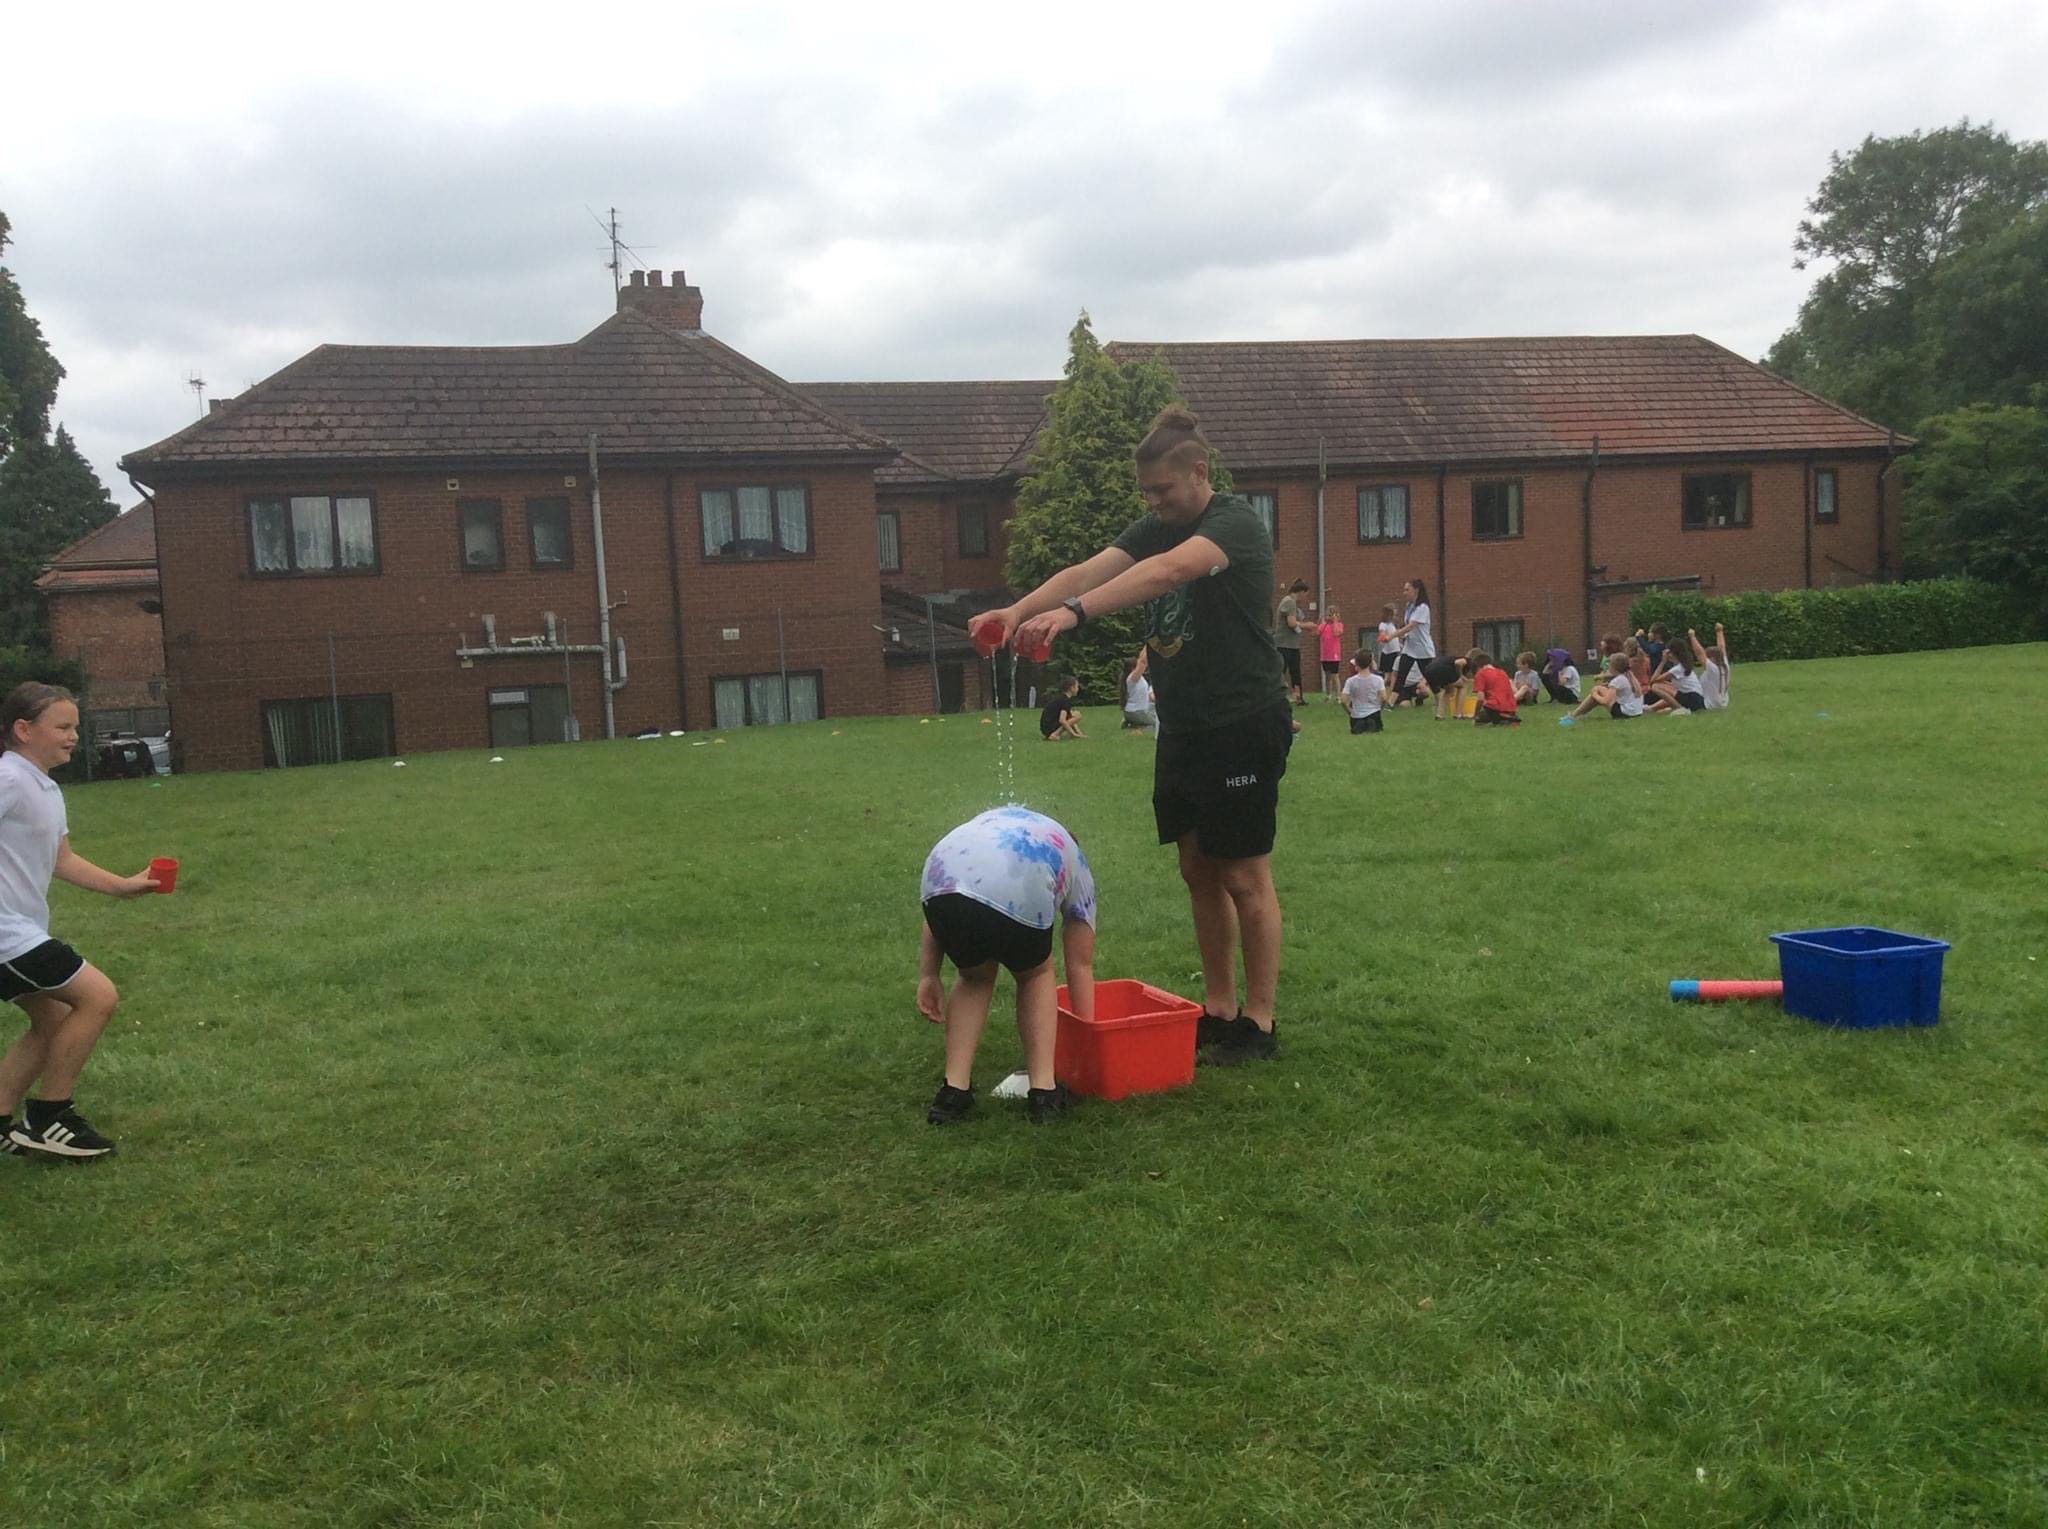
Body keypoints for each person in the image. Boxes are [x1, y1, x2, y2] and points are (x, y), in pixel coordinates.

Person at [974, 405, 1289, 1066]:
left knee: (1242, 872)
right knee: (1196, 867)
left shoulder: (1233, 522)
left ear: (1198, 471)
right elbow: (1089, 571)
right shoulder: (1156, 527)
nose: (1152, 502)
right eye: (1145, 492)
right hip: (1186, 724)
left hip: (1242, 719)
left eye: (1162, 489)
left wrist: (1073, 615)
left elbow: (1166, 573)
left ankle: (1259, 1022)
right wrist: (1018, 608)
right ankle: (1219, 1008)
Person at [2, 683, 160, 1161]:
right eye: (63, 727)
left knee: (52, 1019)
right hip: (7, 934)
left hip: (21, 929)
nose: (74, 735)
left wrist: (121, 886)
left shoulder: (44, 787)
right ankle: (51, 1117)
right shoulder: (10, 778)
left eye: (75, 726)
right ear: (23, 729)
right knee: (98, 996)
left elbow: (61, 859)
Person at [917, 806, 1096, 1125]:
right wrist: (1089, 1042)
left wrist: (929, 975)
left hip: (938, 880)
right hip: (1015, 887)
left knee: (974, 977)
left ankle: (953, 1094)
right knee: (1036, 974)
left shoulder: (999, 824)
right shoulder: (1074, 862)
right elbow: (1079, 964)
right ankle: (1044, 1094)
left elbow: (953, 890)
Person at [1387, 579, 1435, 704]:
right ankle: (1390, 703)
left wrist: (1393, 636)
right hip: (1410, 648)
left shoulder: (1423, 608)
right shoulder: (1409, 606)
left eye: (1407, 590)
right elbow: (1409, 627)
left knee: (1430, 676)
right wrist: (1404, 635)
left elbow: (1412, 625)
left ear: (1416, 590)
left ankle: (1440, 699)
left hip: (1423, 650)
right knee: (1401, 675)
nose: (1404, 593)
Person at [1562, 653, 1643, 723]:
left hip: (1624, 713)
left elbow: (1605, 701)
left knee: (1598, 689)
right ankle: (1576, 715)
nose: (1608, 667)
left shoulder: (1618, 680)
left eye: (1609, 665)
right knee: (1600, 689)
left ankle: (1574, 715)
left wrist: (1594, 694)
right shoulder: (1629, 677)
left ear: (1614, 667)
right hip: (1636, 712)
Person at [1274, 578, 1309, 705]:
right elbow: (1292, 623)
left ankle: (1298, 697)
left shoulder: (1291, 603)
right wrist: (1307, 625)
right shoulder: (1289, 602)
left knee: (1295, 672)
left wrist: (1303, 628)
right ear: (1300, 592)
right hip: (1284, 644)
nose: (1305, 598)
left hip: (1292, 644)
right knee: (1282, 671)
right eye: (1306, 594)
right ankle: (1278, 696)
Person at [1646, 647, 1707, 714]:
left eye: (1668, 652)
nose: (1666, 654)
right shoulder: (1683, 666)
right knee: (1666, 689)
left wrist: (1662, 662)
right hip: (1697, 699)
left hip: (1693, 699)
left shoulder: (1677, 669)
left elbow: (1653, 680)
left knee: (1655, 686)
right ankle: (1650, 708)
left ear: (1674, 654)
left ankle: (1680, 709)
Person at [1468, 649, 1520, 726]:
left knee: (1478, 723)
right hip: (1511, 708)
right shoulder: (1502, 672)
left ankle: (1495, 722)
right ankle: (1506, 720)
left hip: (1494, 707)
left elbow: (1480, 699)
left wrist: (1475, 715)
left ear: (1478, 667)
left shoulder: (1480, 674)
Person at [1690, 624, 1732, 709]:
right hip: (1722, 703)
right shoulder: (1724, 664)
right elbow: (1722, 647)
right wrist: (1719, 631)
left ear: (1713, 658)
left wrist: (1692, 637)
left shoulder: (1713, 669)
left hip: (1710, 705)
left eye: (1708, 657)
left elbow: (1699, 654)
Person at [1340, 653, 1384, 734]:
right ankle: (1371, 724)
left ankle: (1360, 726)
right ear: (1370, 663)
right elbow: (1384, 698)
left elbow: (1343, 700)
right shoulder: (1378, 679)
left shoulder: (1350, 681)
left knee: (1357, 727)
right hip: (1374, 712)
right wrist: (1380, 708)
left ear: (1356, 664)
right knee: (1374, 724)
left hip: (1356, 715)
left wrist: (1350, 712)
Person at [1419, 652, 1467, 720]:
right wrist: (1460, 675)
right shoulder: (1466, 660)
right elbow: (1458, 663)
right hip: (1441, 670)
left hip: (1428, 670)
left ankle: (1440, 715)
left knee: (1448, 691)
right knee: (1462, 686)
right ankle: (1458, 715)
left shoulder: (1450, 659)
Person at [1314, 604, 1346, 700]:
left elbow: (1336, 633)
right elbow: (1316, 632)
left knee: (1335, 675)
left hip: (1334, 654)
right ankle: (1329, 694)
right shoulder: (1324, 626)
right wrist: (1320, 621)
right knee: (1327, 675)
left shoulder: (1339, 625)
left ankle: (1338, 695)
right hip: (1325, 655)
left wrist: (1335, 621)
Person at [1121, 649, 1158, 734]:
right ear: (1132, 668)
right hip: (1137, 712)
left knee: (1155, 717)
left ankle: (1131, 723)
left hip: (1134, 712)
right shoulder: (1133, 678)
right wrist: (1149, 647)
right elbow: (1143, 662)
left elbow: (1141, 659)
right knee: (1156, 725)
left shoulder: (1136, 678)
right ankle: (1134, 728)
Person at [1039, 676, 1086, 741]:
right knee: (1077, 716)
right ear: (1071, 688)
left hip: (1046, 727)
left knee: (1074, 714)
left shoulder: (1062, 698)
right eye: (1077, 686)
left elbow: (1070, 718)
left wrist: (1079, 734)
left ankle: (1056, 734)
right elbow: (1062, 720)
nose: (1078, 689)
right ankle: (1054, 735)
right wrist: (1073, 734)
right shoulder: (1064, 701)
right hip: (1049, 727)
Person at [1374, 604, 1401, 683]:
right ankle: (1382, 686)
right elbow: (1382, 633)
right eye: (1394, 615)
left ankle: (1391, 687)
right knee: (1388, 675)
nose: (1395, 617)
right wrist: (1383, 637)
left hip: (1395, 650)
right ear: (1389, 615)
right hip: (1388, 652)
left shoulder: (1393, 625)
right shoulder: (1383, 625)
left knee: (1394, 673)